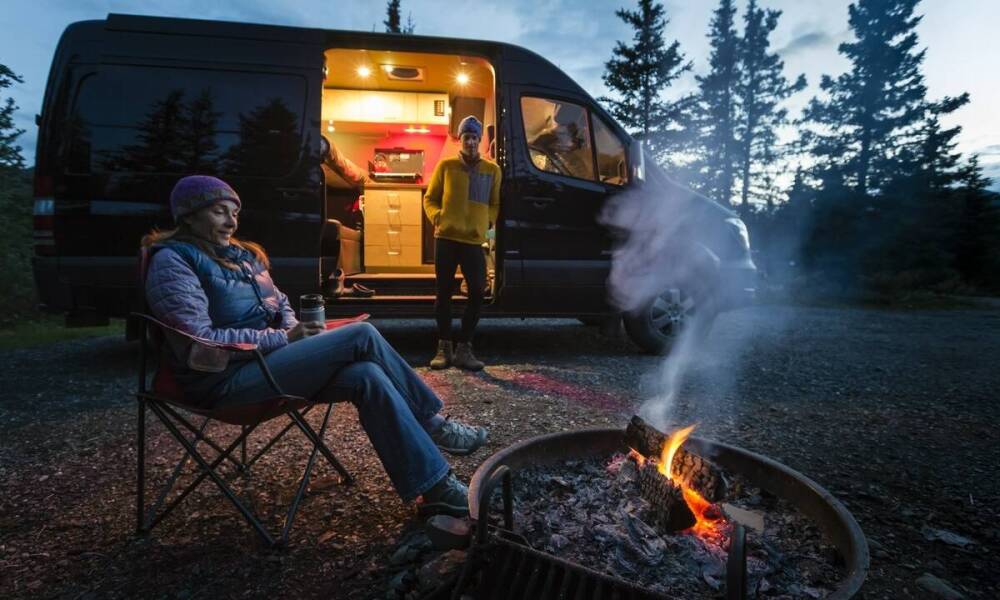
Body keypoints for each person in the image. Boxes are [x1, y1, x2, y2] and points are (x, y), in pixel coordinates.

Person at [142, 175, 488, 518]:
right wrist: (284, 339)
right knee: (362, 335)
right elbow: (199, 339)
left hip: (268, 364)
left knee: (366, 374)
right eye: (219, 211)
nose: (231, 221)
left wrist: (293, 330)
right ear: (188, 216)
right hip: (221, 379)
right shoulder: (173, 261)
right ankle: (433, 423)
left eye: (234, 213)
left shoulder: (244, 256)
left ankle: (436, 488)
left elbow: (281, 303)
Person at [423, 116, 501, 371]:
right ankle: (444, 347)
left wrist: (487, 222)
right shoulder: (446, 166)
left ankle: (464, 348)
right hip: (446, 239)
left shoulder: (492, 170)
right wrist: (438, 217)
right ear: (461, 139)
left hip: (473, 241)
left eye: (474, 137)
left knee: (478, 291)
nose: (470, 142)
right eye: (466, 137)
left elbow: (494, 203)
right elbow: (430, 199)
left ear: (479, 140)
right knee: (443, 293)